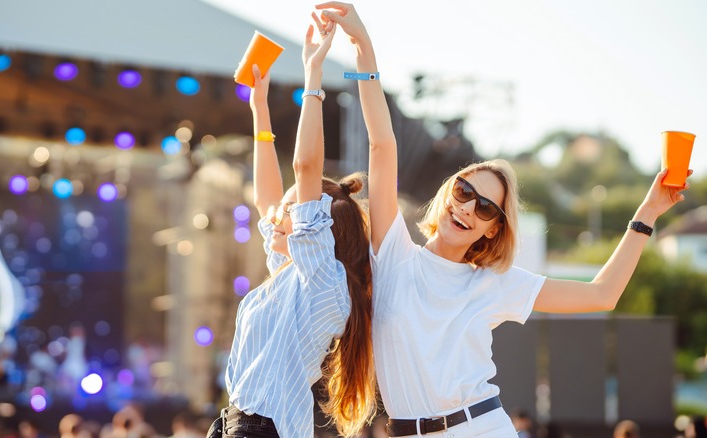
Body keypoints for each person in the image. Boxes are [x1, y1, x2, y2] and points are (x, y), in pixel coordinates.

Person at [317, 2, 692, 437]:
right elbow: (382, 145)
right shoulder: (396, 254)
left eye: (485, 208)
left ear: (493, 227)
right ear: (447, 193)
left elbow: (603, 294)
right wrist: (364, 46)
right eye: (463, 191)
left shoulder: (492, 282)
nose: (468, 207)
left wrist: (646, 213)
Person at [209, 11, 375, 438]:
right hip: (235, 425)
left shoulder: (323, 279)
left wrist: (313, 77)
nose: (277, 218)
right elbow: (268, 198)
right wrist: (259, 108)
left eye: (293, 211)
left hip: (262, 430)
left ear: (315, 229)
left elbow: (304, 168)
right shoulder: (291, 276)